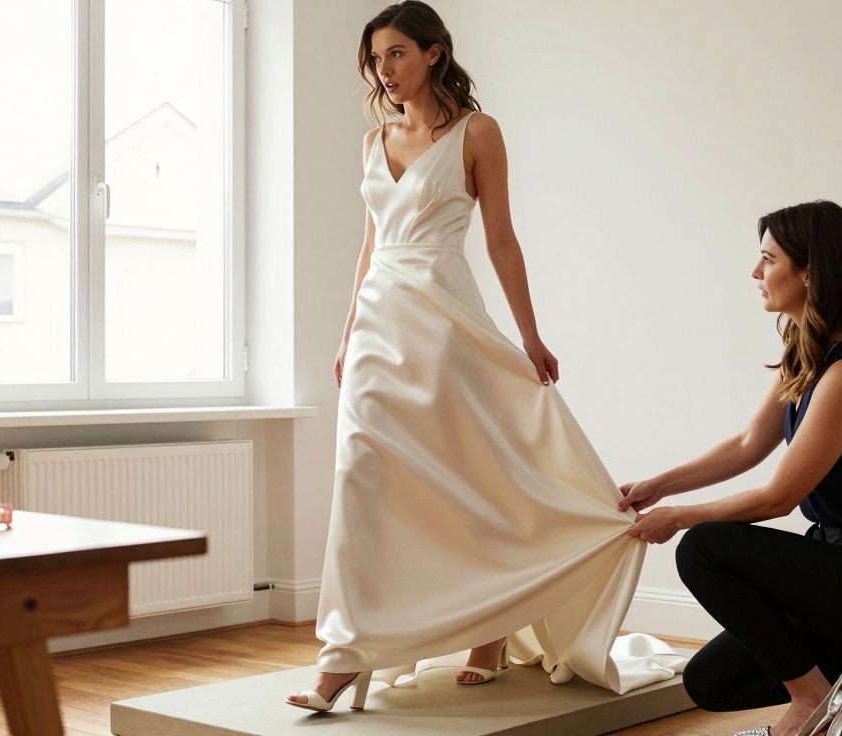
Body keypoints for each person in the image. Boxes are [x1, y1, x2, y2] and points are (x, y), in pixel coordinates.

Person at [285, 0, 683, 713]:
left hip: (442, 320)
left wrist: (529, 335)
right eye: (377, 59)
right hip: (379, 323)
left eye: (398, 53)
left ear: (435, 52)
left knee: (469, 479)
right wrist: (347, 333)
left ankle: (492, 627)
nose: (386, 70)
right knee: (363, 476)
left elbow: (501, 239)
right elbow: (370, 246)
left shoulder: (479, 132)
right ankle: (343, 654)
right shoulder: (374, 140)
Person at [621, 200, 842, 736]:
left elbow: (779, 498)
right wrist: (657, 487)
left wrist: (680, 517)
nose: (756, 273)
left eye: (768, 259)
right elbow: (749, 443)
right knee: (712, 683)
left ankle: (812, 698)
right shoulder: (807, 352)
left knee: (704, 545)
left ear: (810, 273)